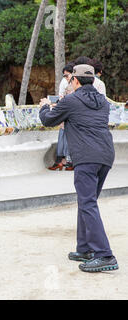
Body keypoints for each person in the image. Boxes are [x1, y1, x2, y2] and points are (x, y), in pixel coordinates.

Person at [39, 64, 118, 273]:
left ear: (75, 81)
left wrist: (45, 106)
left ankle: (104, 254)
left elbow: (48, 120)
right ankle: (85, 249)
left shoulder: (71, 100)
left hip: (86, 157)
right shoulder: (103, 101)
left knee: (87, 203)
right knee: (87, 201)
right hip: (106, 156)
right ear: (92, 80)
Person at [49, 62, 75, 171]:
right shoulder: (66, 83)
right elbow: (61, 98)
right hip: (67, 113)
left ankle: (64, 160)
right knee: (64, 136)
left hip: (69, 114)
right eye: (64, 75)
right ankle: (63, 160)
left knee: (66, 136)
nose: (65, 77)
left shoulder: (73, 83)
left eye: (67, 75)